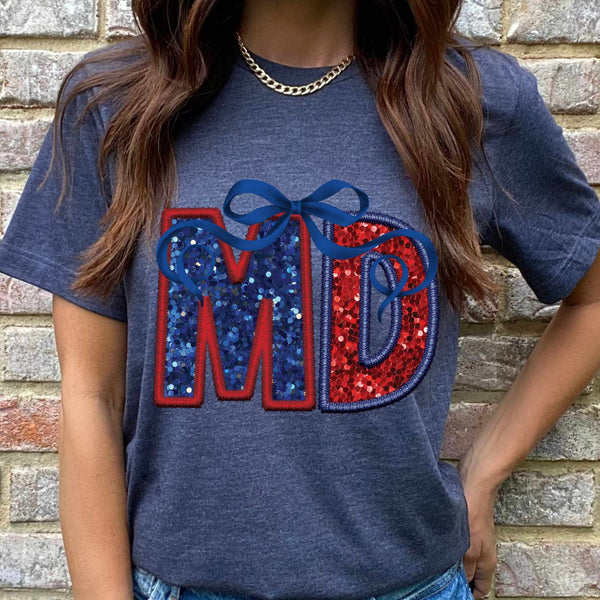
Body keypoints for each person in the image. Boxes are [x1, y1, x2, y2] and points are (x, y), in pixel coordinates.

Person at [1, 1, 600, 599]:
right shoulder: (113, 104)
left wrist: (485, 467)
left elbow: (591, 299)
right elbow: (91, 395)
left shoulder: (472, 100)